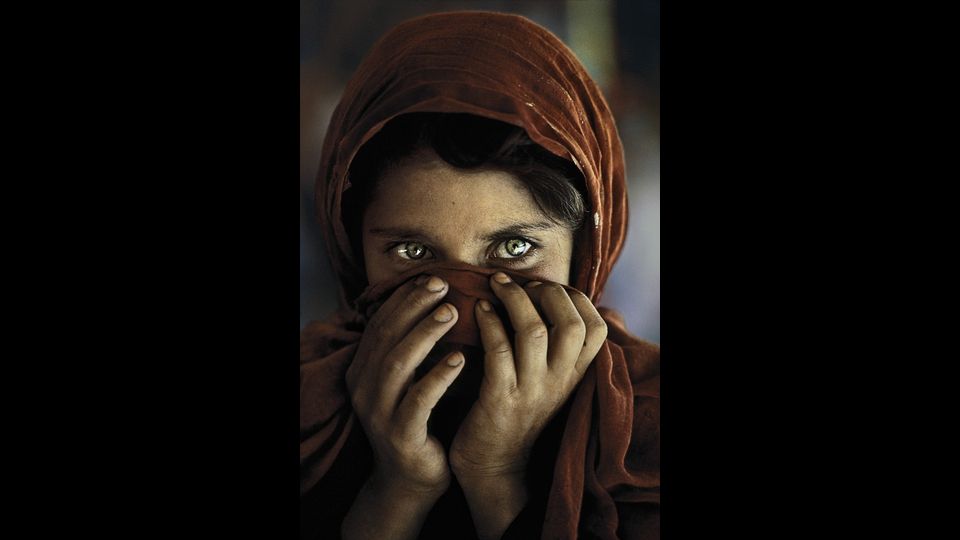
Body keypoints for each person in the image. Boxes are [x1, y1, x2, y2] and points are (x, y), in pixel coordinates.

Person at [300, 11, 660, 540]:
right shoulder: (311, 417)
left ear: (587, 251)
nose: (464, 303)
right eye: (413, 250)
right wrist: (396, 489)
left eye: (515, 249)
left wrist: (497, 476)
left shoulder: (644, 434)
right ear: (351, 245)